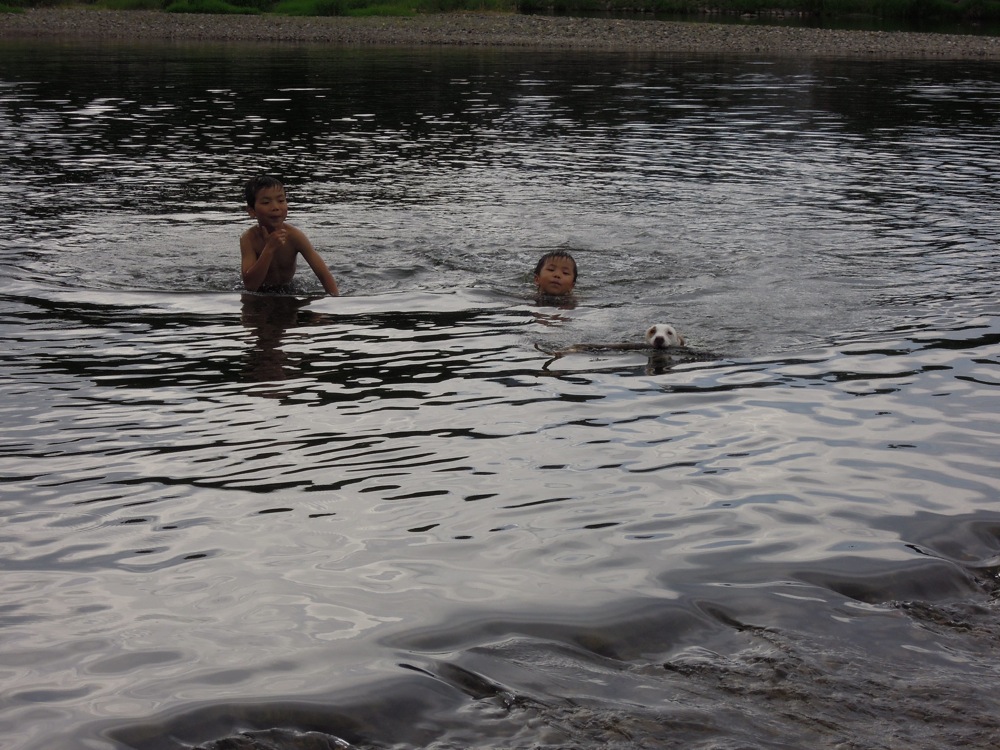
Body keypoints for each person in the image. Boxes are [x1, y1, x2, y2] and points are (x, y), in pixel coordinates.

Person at [240, 175, 339, 296]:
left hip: (288, 289)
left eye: (281, 201)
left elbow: (324, 275)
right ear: (251, 211)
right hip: (260, 292)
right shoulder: (249, 239)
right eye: (266, 202)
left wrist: (335, 301)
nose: (275, 207)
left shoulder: (294, 236)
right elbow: (250, 286)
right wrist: (269, 249)